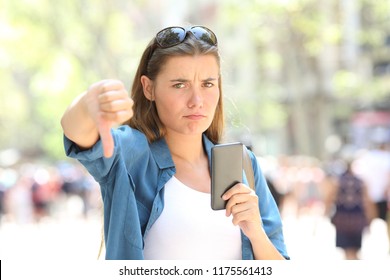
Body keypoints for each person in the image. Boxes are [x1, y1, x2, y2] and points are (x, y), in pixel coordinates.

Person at [61, 25, 289, 260]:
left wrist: (256, 233)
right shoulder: (133, 154)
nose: (197, 100)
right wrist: (89, 103)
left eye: (208, 84)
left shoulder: (243, 163)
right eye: (180, 84)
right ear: (149, 88)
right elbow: (76, 132)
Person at [325, 157, 376, 260]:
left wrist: (326, 214)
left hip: (342, 219)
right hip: (357, 219)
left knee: (348, 252)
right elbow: (368, 202)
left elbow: (329, 199)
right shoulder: (361, 182)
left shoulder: (337, 181)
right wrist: (370, 219)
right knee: (354, 251)